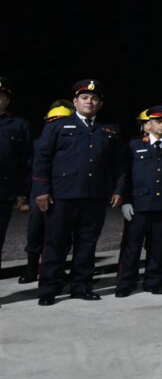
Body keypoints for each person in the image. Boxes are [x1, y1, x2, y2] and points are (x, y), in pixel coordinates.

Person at [33, 80, 126, 305]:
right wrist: (41, 190)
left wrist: (119, 189)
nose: (89, 101)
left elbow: (119, 164)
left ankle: (81, 286)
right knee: (55, 243)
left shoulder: (109, 130)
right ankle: (49, 289)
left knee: (87, 243)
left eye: (94, 98)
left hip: (94, 197)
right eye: (84, 97)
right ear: (75, 101)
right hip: (62, 195)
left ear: (100, 103)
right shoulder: (57, 126)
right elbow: (41, 159)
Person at [115, 106, 162, 297]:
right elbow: (125, 174)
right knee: (131, 246)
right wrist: (125, 200)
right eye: (158, 121)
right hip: (138, 205)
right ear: (147, 125)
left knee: (158, 246)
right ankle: (125, 282)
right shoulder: (133, 145)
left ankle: (154, 281)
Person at [19, 102, 74, 284]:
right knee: (35, 232)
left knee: (62, 236)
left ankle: (56, 270)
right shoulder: (37, 143)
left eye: (60, 120)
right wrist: (26, 197)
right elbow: (28, 171)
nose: (56, 124)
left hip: (62, 194)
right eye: (52, 121)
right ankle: (31, 269)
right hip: (38, 194)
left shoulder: (74, 145)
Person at [0, 77, 31, 280]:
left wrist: (22, 193)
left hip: (3, 192)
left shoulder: (19, 125)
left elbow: (26, 162)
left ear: (7, 100)